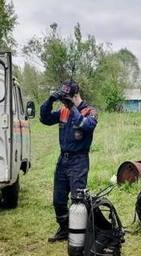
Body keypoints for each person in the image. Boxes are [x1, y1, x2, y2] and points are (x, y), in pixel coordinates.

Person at [39, 80, 98, 242]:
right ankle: (65, 228)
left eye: (67, 97)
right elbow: (44, 119)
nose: (64, 100)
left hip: (79, 160)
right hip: (63, 159)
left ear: (75, 95)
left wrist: (72, 107)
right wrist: (50, 101)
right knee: (58, 199)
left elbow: (85, 125)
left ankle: (79, 232)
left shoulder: (90, 111)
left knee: (78, 199)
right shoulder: (63, 111)